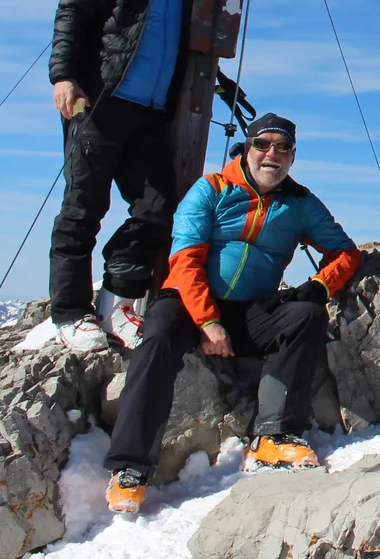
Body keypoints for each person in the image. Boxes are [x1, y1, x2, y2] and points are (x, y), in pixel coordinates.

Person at [103, 114, 361, 513]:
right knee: (157, 338)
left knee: (306, 316)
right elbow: (186, 257)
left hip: (250, 309)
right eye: (263, 144)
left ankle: (275, 436)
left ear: (293, 157)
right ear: (247, 147)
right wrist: (208, 321)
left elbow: (345, 251)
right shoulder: (211, 189)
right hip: (187, 303)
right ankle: (130, 467)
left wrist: (320, 285)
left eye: (283, 147)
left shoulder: (300, 203)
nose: (272, 154)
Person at [47, 0, 196, 354]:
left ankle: (117, 298)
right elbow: (73, 11)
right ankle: (70, 312)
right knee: (83, 207)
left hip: (151, 110)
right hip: (101, 102)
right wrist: (64, 77)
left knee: (157, 206)